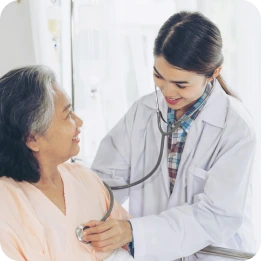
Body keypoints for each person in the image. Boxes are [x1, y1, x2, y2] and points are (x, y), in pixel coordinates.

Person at [81, 11, 257, 261]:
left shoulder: (235, 127)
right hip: (152, 253)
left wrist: (134, 231)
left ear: (214, 73)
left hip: (214, 254)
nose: (167, 91)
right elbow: (106, 183)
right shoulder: (142, 112)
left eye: (181, 84)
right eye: (158, 76)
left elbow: (217, 216)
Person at [0, 66, 134, 261]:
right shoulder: (7, 203)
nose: (79, 121)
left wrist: (124, 236)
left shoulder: (85, 178)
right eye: (68, 115)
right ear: (32, 139)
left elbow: (128, 235)